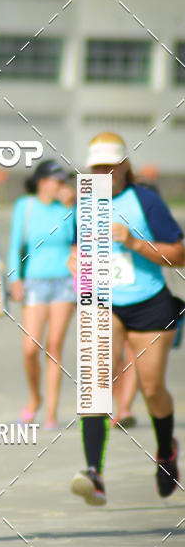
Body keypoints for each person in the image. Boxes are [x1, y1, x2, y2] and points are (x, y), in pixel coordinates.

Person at [70, 133, 184, 505]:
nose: (105, 172)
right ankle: (94, 473)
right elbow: (78, 248)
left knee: (151, 389)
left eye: (111, 166)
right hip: (103, 303)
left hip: (150, 304)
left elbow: (178, 254)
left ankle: (166, 450)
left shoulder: (145, 200)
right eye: (98, 167)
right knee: (95, 383)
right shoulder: (85, 201)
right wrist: (75, 262)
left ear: (125, 167)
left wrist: (135, 242)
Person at [7, 159, 76, 430]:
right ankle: (35, 398)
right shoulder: (25, 206)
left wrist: (73, 207)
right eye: (58, 180)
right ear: (42, 182)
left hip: (65, 283)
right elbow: (15, 245)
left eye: (64, 181)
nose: (62, 186)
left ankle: (51, 414)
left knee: (55, 346)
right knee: (30, 348)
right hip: (34, 282)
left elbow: (79, 239)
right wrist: (15, 279)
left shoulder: (70, 208)